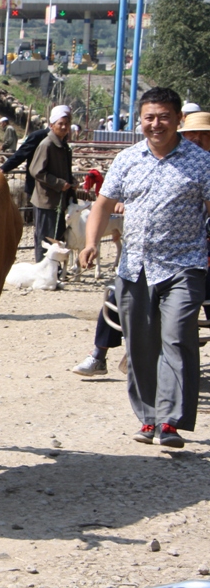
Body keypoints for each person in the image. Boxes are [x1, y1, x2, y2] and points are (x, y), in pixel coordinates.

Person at [79, 87, 210, 449]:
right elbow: (104, 205)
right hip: (134, 267)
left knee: (178, 337)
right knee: (140, 346)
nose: (156, 124)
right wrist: (91, 243)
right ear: (140, 120)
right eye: (150, 117)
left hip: (185, 264)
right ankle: (149, 418)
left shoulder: (200, 163)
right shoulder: (127, 159)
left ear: (179, 120)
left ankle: (170, 421)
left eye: (164, 116)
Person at [28, 105, 74, 262]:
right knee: (45, 237)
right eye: (60, 123)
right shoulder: (47, 144)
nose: (63, 127)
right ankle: (43, 267)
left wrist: (71, 181)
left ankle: (55, 268)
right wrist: (59, 183)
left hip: (59, 199)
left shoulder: (63, 146)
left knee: (57, 235)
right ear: (52, 125)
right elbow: (36, 171)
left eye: (66, 124)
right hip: (46, 200)